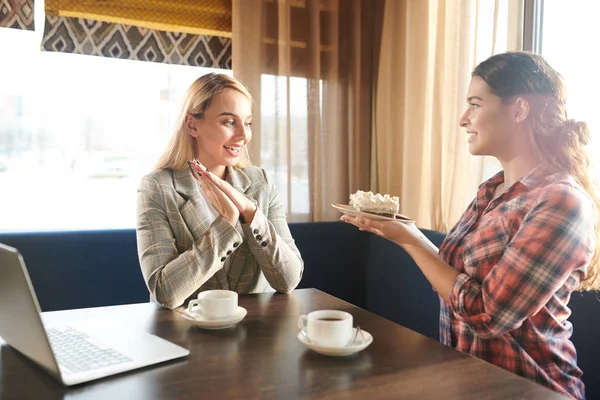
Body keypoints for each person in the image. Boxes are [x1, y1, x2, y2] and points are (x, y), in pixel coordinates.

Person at [341, 51, 599, 400]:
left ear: (520, 110)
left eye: (475, 104)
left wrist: (411, 240)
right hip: (471, 382)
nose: (464, 119)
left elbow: (487, 315)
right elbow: (455, 281)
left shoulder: (561, 202)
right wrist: (402, 232)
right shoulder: (492, 190)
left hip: (530, 389)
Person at [136, 73, 304, 310]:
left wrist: (250, 213)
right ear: (192, 125)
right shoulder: (157, 188)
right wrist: (225, 224)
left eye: (247, 123)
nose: (244, 136)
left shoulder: (261, 183)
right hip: (184, 335)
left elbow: (289, 280)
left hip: (256, 333)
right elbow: (165, 292)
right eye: (229, 122)